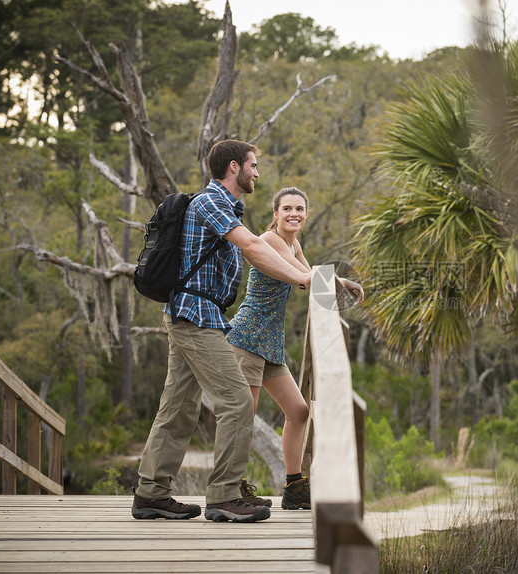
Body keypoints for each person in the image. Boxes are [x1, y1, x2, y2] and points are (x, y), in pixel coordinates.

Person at [131, 140, 312, 523]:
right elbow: (250, 247)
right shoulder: (211, 202)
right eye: (253, 165)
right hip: (194, 314)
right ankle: (225, 496)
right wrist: (301, 277)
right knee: (236, 400)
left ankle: (151, 493)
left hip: (202, 314)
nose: (257, 173)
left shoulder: (226, 206)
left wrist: (313, 276)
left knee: (179, 407)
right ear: (234, 167)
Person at [226, 187, 363, 510]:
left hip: (270, 343)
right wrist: (341, 281)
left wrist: (336, 283)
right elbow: (304, 277)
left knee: (299, 412)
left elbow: (312, 277)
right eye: (287, 208)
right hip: (248, 337)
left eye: (300, 209)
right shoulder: (271, 240)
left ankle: (293, 486)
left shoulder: (292, 242)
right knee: (243, 416)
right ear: (275, 214)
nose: (294, 214)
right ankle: (231, 489)